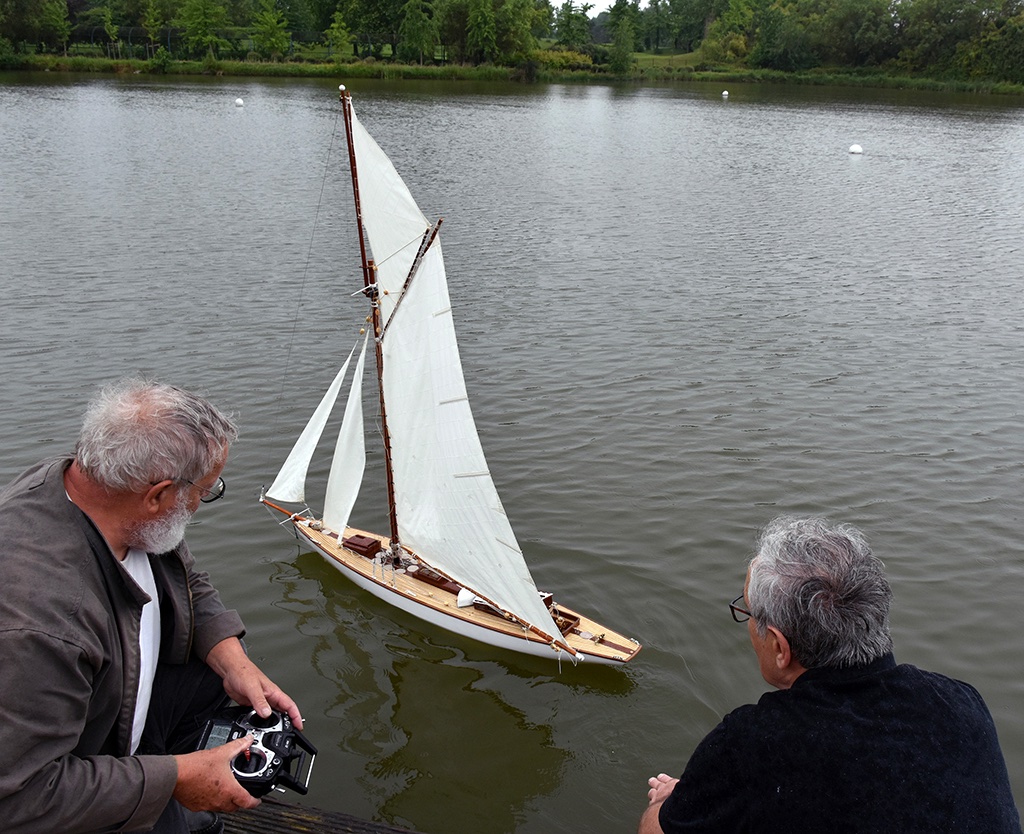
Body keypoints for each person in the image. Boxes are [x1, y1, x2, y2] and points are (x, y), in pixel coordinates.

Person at [0, 379, 303, 834]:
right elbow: (22, 798)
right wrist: (174, 780)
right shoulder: (45, 623)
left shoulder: (96, 487)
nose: (204, 500)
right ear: (158, 495)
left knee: (230, 695)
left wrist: (233, 660)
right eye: (206, 489)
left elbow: (185, 576)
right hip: (69, 790)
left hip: (119, 706)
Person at [639, 516, 1021, 834]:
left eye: (749, 614)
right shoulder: (961, 703)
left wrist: (671, 802)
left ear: (779, 646)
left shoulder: (756, 742)